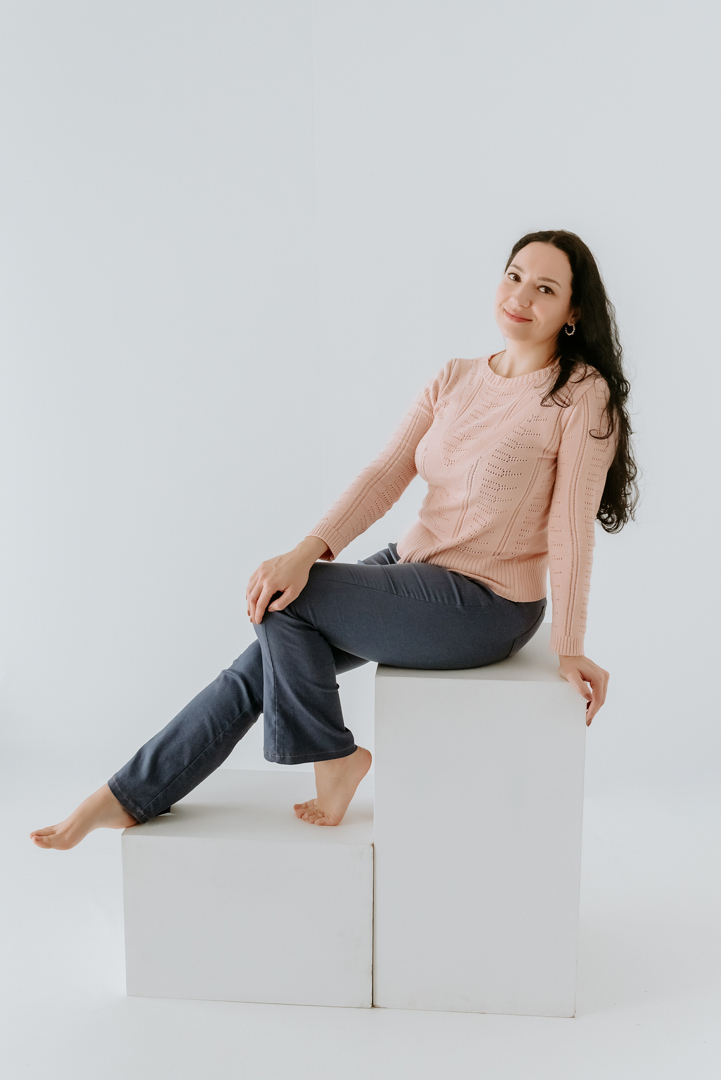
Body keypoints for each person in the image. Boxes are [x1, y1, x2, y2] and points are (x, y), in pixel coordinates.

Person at [30, 229, 638, 848]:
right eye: (514, 276)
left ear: (573, 310)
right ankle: (126, 796)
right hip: (414, 566)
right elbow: (383, 475)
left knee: (289, 603)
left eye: (545, 289)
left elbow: (570, 528)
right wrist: (305, 551)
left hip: (487, 602)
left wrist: (569, 647)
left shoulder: (581, 395)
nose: (521, 297)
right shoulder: (455, 377)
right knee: (266, 637)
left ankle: (332, 757)